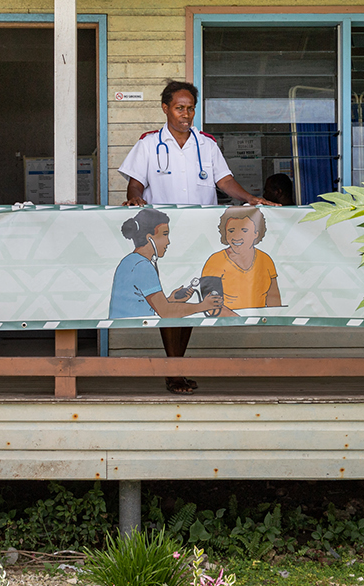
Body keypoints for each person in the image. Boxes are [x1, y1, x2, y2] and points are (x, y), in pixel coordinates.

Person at [108, 208, 222, 394]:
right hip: (130, 318)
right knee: (176, 315)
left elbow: (148, 302)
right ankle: (174, 372)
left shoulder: (137, 260)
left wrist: (171, 299)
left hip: (144, 313)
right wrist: (203, 306)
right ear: (149, 238)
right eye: (165, 234)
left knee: (181, 311)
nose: (168, 241)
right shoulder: (142, 265)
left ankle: (176, 370)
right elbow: (165, 312)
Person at [118, 80, 277, 208]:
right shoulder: (148, 144)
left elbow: (225, 181)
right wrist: (135, 198)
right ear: (165, 108)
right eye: (179, 108)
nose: (186, 115)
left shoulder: (207, 144)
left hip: (202, 226)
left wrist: (250, 198)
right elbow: (135, 184)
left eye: (190, 109)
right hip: (161, 225)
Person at [200, 206, 282, 314]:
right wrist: (238, 320)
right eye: (231, 230)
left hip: (260, 322)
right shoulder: (214, 261)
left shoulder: (265, 260)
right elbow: (210, 305)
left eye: (244, 230)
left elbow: (274, 300)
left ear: (256, 233)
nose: (237, 236)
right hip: (227, 322)